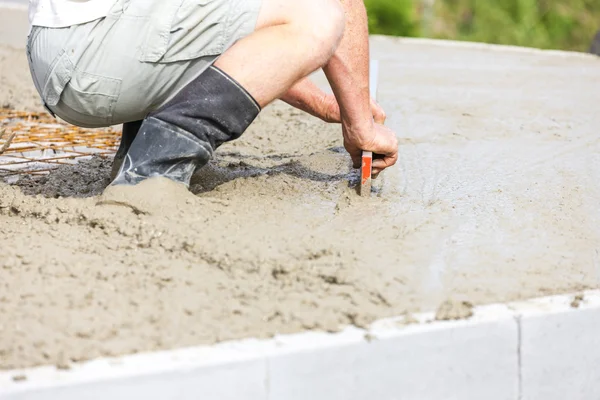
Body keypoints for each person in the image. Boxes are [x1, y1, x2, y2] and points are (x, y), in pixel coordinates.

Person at [26, 0, 399, 188]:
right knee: (322, 15)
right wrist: (360, 127)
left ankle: (138, 152)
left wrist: (330, 105)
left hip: (73, 50)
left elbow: (238, 39)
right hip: (91, 53)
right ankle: (149, 177)